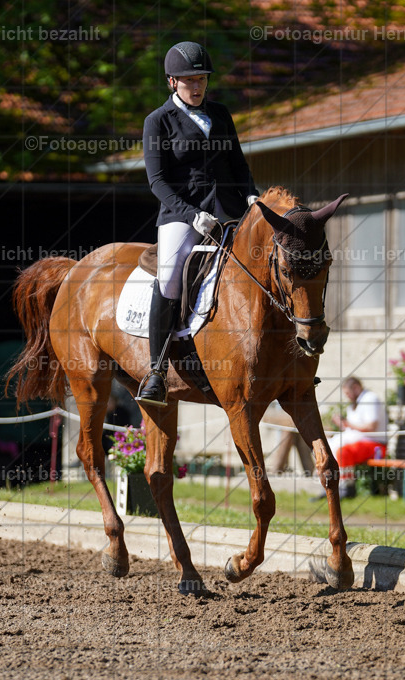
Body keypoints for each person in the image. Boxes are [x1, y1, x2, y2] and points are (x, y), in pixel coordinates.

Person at [137, 40, 260, 407]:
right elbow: (157, 181)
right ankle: (157, 371)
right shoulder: (158, 121)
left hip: (230, 210)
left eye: (202, 79)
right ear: (172, 82)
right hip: (182, 214)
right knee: (171, 273)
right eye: (189, 80)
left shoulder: (220, 114)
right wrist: (192, 214)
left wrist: (251, 195)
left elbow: (237, 163)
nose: (197, 86)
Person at [326, 376, 388, 499]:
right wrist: (342, 424)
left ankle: (347, 487)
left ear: (356, 388)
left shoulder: (370, 399)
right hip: (360, 440)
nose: (347, 396)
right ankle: (331, 484)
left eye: (348, 393)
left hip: (375, 444)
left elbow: (371, 427)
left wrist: (348, 424)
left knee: (343, 451)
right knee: (327, 445)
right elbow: (353, 429)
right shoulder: (354, 404)